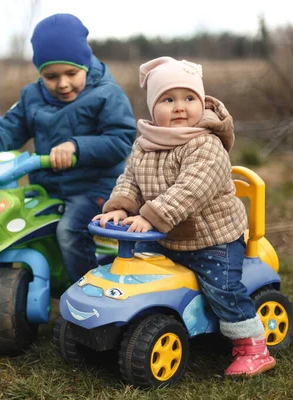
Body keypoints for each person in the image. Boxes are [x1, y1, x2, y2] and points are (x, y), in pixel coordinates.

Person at [0, 13, 137, 333]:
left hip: (96, 187)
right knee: (6, 228)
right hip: (47, 187)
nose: (62, 83)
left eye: (71, 73)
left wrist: (77, 147)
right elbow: (4, 129)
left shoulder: (106, 94)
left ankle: (88, 304)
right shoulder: (32, 97)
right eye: (50, 75)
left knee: (69, 231)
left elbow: (120, 140)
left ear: (85, 63)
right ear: (40, 74)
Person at [93, 56, 275, 377]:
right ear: (153, 108)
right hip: (168, 237)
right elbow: (131, 180)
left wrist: (151, 216)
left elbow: (190, 190)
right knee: (145, 280)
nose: (179, 107)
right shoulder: (146, 143)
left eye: (189, 98)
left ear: (201, 103)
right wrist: (121, 205)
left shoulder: (205, 145)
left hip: (212, 240)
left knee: (223, 289)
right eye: (168, 99)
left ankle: (253, 347)